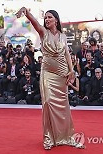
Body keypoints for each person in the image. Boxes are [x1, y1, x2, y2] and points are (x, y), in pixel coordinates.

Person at [16, 7, 85, 150]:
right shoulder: (43, 32)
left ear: (56, 20)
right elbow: (35, 23)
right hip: (47, 72)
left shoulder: (63, 36)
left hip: (62, 73)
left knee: (64, 106)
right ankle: (49, 138)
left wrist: (71, 71)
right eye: (46, 17)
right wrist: (26, 12)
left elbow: (66, 54)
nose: (47, 20)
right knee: (47, 103)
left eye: (50, 17)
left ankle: (66, 137)